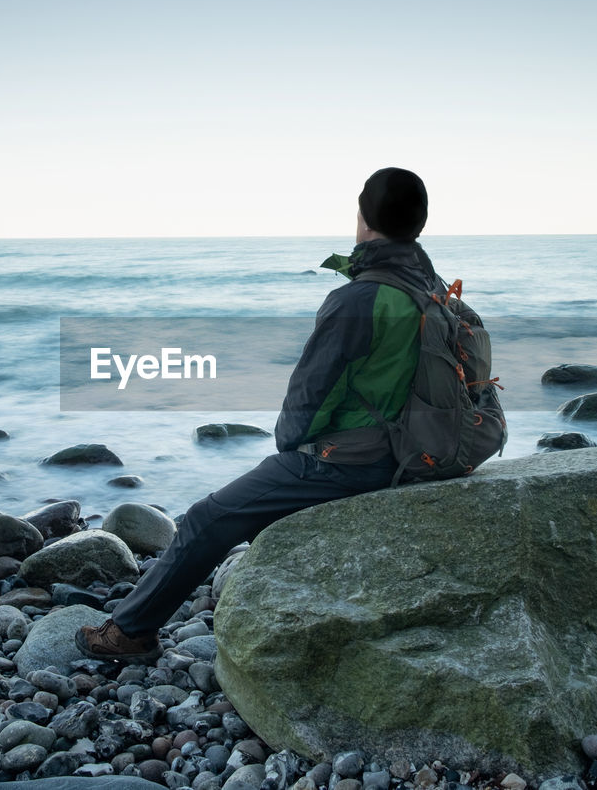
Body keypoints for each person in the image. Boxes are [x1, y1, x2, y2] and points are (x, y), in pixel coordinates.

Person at [77, 167, 443, 661]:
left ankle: (130, 632)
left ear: (363, 217)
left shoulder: (361, 298)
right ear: (419, 224)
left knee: (207, 518)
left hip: (356, 460)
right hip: (424, 450)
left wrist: (291, 452)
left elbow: (311, 395)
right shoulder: (432, 288)